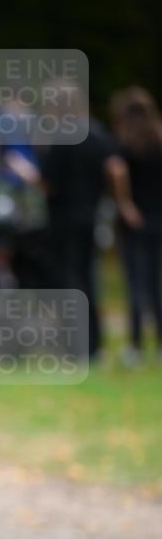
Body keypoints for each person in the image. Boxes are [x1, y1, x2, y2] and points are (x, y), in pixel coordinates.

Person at [40, 82, 120, 362]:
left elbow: (48, 183)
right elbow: (114, 171)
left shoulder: (60, 137)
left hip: (63, 220)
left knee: (67, 281)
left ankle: (74, 346)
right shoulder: (98, 133)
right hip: (92, 216)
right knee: (89, 278)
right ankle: (94, 344)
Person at [106, 87, 162, 366]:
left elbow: (116, 170)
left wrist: (125, 203)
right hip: (158, 218)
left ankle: (136, 346)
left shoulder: (125, 142)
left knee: (136, 283)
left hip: (134, 220)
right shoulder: (158, 138)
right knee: (157, 283)